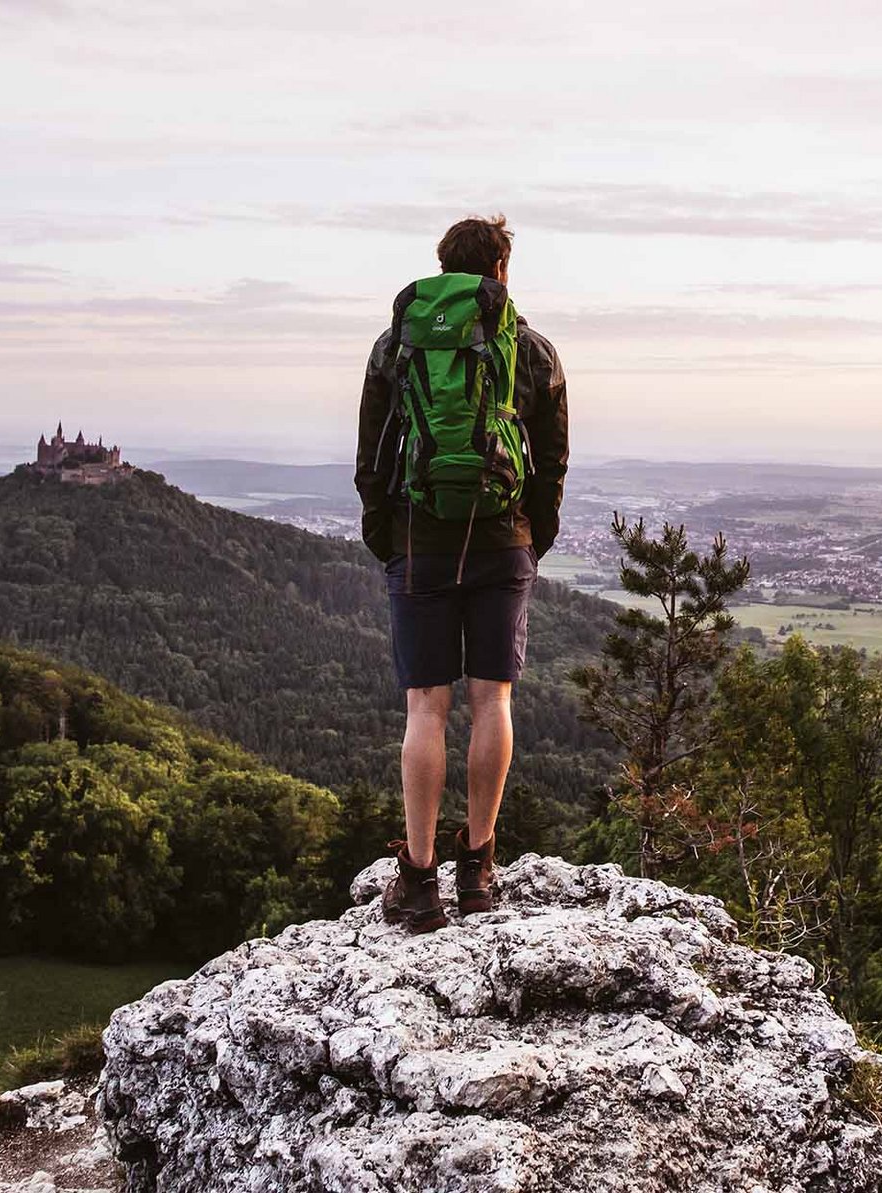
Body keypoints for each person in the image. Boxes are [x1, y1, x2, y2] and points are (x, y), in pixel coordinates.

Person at [352, 214, 569, 933]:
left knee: (425, 706)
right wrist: (530, 539)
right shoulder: (529, 347)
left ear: (443, 267)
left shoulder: (398, 345)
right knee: (493, 700)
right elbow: (552, 458)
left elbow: (371, 458)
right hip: (502, 539)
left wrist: (389, 539)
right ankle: (475, 867)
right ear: (501, 271)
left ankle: (418, 880)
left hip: (422, 540)